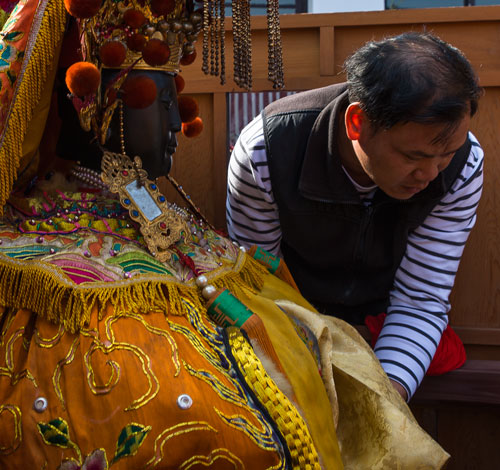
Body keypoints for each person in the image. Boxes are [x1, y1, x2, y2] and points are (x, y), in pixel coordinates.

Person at [0, 2, 450, 467]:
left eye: (175, 102)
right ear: (98, 104)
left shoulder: (161, 210)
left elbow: (422, 299)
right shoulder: (269, 146)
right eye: (163, 102)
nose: (176, 124)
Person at [226, 32, 484, 402]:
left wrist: (384, 399)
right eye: (412, 157)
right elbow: (257, 287)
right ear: (357, 123)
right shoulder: (266, 151)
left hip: (387, 321)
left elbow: (421, 299)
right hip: (291, 320)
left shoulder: (464, 165)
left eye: (444, 155)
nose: (429, 175)